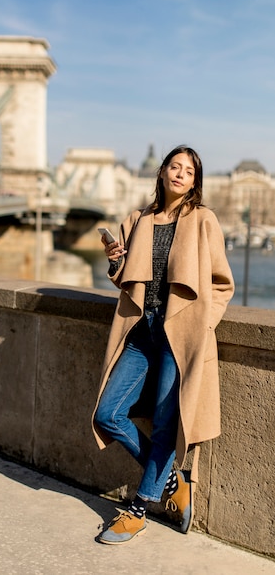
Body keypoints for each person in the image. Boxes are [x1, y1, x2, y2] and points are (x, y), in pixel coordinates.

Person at [92, 145, 234, 544]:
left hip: (180, 335)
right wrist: (114, 259)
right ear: (163, 172)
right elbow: (124, 278)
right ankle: (172, 481)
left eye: (189, 171)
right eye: (175, 166)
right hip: (142, 333)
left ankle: (138, 509)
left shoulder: (204, 221)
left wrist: (204, 322)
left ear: (194, 182)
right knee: (107, 414)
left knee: (168, 422)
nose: (180, 174)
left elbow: (222, 283)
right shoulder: (138, 220)